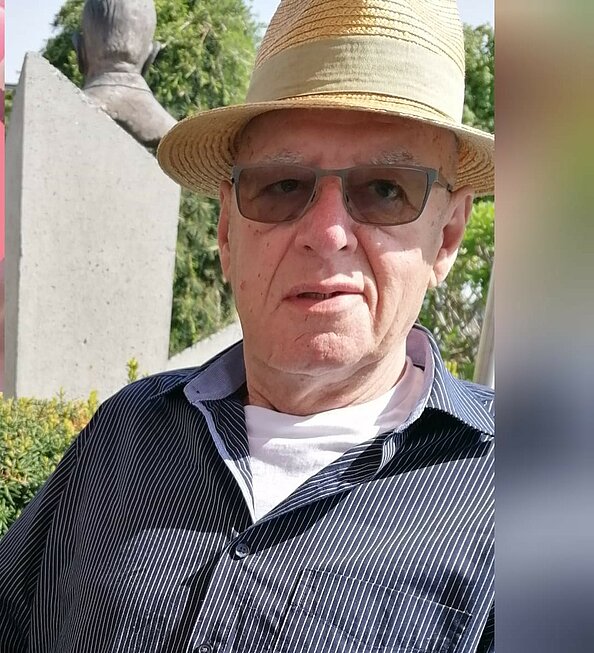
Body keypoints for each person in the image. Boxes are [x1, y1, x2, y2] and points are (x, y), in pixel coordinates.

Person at [0, 1, 494, 651]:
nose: (327, 233)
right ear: (228, 233)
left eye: (384, 189)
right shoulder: (123, 435)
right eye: (282, 185)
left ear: (447, 235)